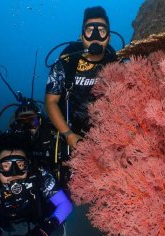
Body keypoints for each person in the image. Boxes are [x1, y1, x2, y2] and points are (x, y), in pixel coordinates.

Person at [45, 6, 118, 151]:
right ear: (81, 36)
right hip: (69, 129)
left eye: (102, 31)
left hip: (105, 132)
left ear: (108, 38)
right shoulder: (65, 63)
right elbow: (51, 102)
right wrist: (68, 134)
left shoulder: (116, 63)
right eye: (90, 31)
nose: (96, 37)